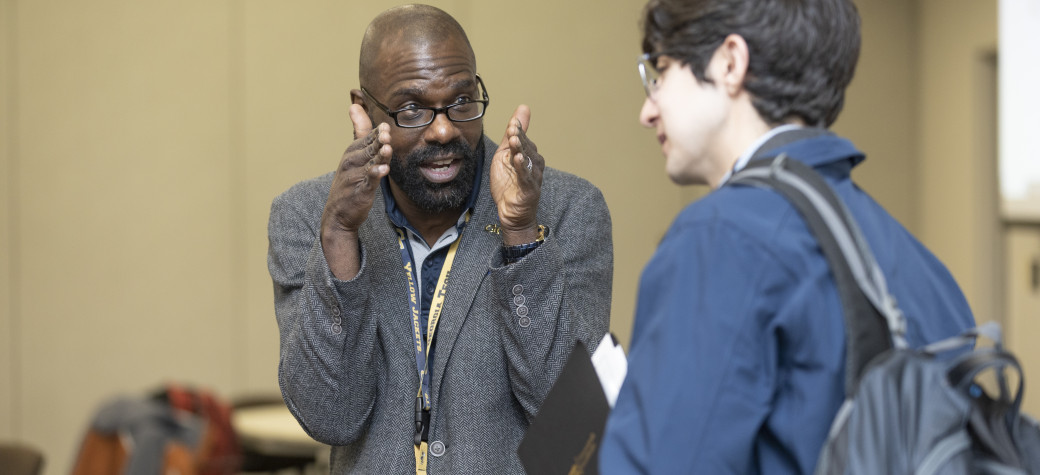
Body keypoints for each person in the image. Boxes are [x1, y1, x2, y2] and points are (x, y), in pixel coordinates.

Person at [599, 0, 975, 473]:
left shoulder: (720, 239)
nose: (647, 111)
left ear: (730, 63)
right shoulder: (919, 262)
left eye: (662, 70)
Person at [267, 4, 612, 474]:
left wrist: (521, 236)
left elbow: (569, 420)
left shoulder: (568, 210)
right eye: (412, 109)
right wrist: (342, 236)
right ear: (363, 106)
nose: (445, 129)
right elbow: (331, 416)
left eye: (463, 102)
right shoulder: (308, 218)